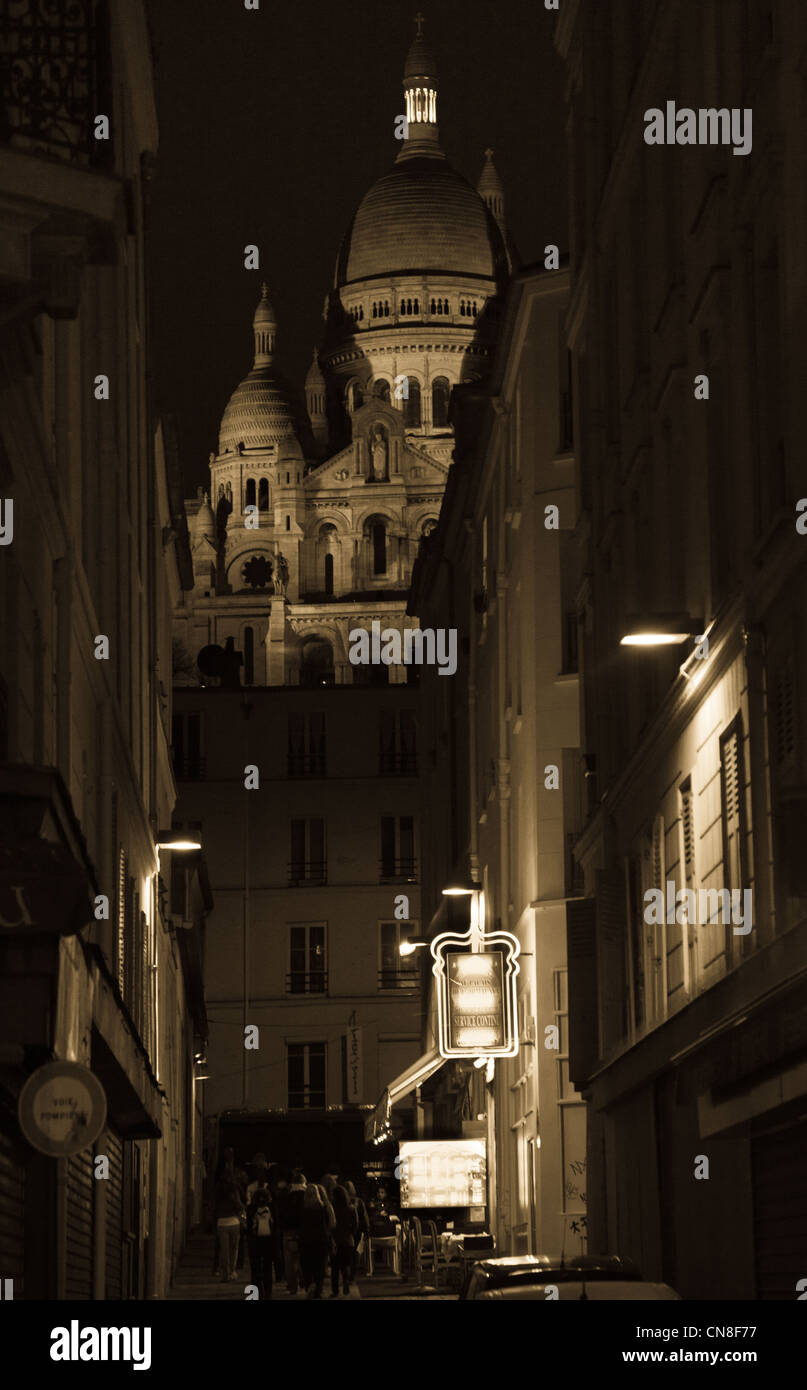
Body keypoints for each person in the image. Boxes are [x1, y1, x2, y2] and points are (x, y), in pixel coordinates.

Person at [299, 1183, 331, 1299]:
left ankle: (309, 1285)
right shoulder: (322, 1208)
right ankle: (318, 1288)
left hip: (306, 1240)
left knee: (307, 1265)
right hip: (321, 1240)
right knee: (320, 1266)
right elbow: (328, 1224)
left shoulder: (302, 1208)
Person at [279, 1169, 307, 1295]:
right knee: (303, 1258)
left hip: (288, 1231)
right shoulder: (308, 1196)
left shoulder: (286, 1196)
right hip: (304, 1232)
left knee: (289, 1260)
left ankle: (292, 1285)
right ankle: (304, 1279)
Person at [214, 1171, 244, 1282]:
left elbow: (214, 1206)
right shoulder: (234, 1190)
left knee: (224, 1250)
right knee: (234, 1249)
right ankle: (232, 1271)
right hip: (234, 1221)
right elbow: (239, 1204)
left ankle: (225, 1274)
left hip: (221, 1222)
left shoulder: (218, 1191)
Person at [329, 1185, 359, 1298]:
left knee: (335, 1267)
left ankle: (335, 1290)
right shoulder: (351, 1208)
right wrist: (351, 1233)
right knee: (346, 1265)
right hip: (348, 1240)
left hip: (335, 1241)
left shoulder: (332, 1208)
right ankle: (346, 1281)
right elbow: (356, 1225)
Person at [246, 1183, 275, 1299]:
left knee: (255, 1269)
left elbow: (248, 1227)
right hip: (268, 1241)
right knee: (267, 1267)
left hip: (255, 1242)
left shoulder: (251, 1209)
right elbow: (276, 1225)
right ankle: (268, 1292)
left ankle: (256, 1293)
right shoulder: (272, 1208)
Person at [343, 1180, 370, 1281]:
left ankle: (347, 1273)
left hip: (346, 1231)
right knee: (355, 1251)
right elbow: (364, 1216)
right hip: (357, 1230)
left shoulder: (341, 1201)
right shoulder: (358, 1201)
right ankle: (353, 1274)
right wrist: (366, 1230)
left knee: (346, 1252)